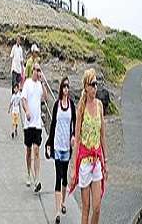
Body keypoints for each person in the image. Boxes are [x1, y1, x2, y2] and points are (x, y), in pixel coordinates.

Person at [69, 69, 108, 224]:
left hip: (97, 161)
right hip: (85, 163)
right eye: (92, 84)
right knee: (86, 208)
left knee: (97, 206)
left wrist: (106, 161)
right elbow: (77, 140)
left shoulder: (99, 105)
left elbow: (103, 135)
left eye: (96, 83)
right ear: (86, 86)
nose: (95, 87)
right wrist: (74, 168)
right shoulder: (81, 108)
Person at [46, 77, 76, 224]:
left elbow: (75, 125)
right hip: (57, 145)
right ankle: (57, 211)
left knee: (64, 177)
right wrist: (49, 142)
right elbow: (53, 124)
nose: (66, 89)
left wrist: (74, 137)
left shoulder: (72, 105)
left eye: (67, 87)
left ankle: (63, 201)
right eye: (64, 86)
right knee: (58, 177)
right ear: (61, 89)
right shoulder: (57, 105)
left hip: (67, 146)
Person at [21, 62, 49, 192]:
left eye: (40, 70)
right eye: (37, 70)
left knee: (37, 150)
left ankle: (37, 179)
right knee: (28, 150)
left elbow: (46, 98)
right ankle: (28, 172)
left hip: (37, 124)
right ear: (32, 70)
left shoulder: (39, 85)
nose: (38, 72)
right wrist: (26, 111)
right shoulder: (27, 83)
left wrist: (43, 82)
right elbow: (24, 99)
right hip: (29, 123)